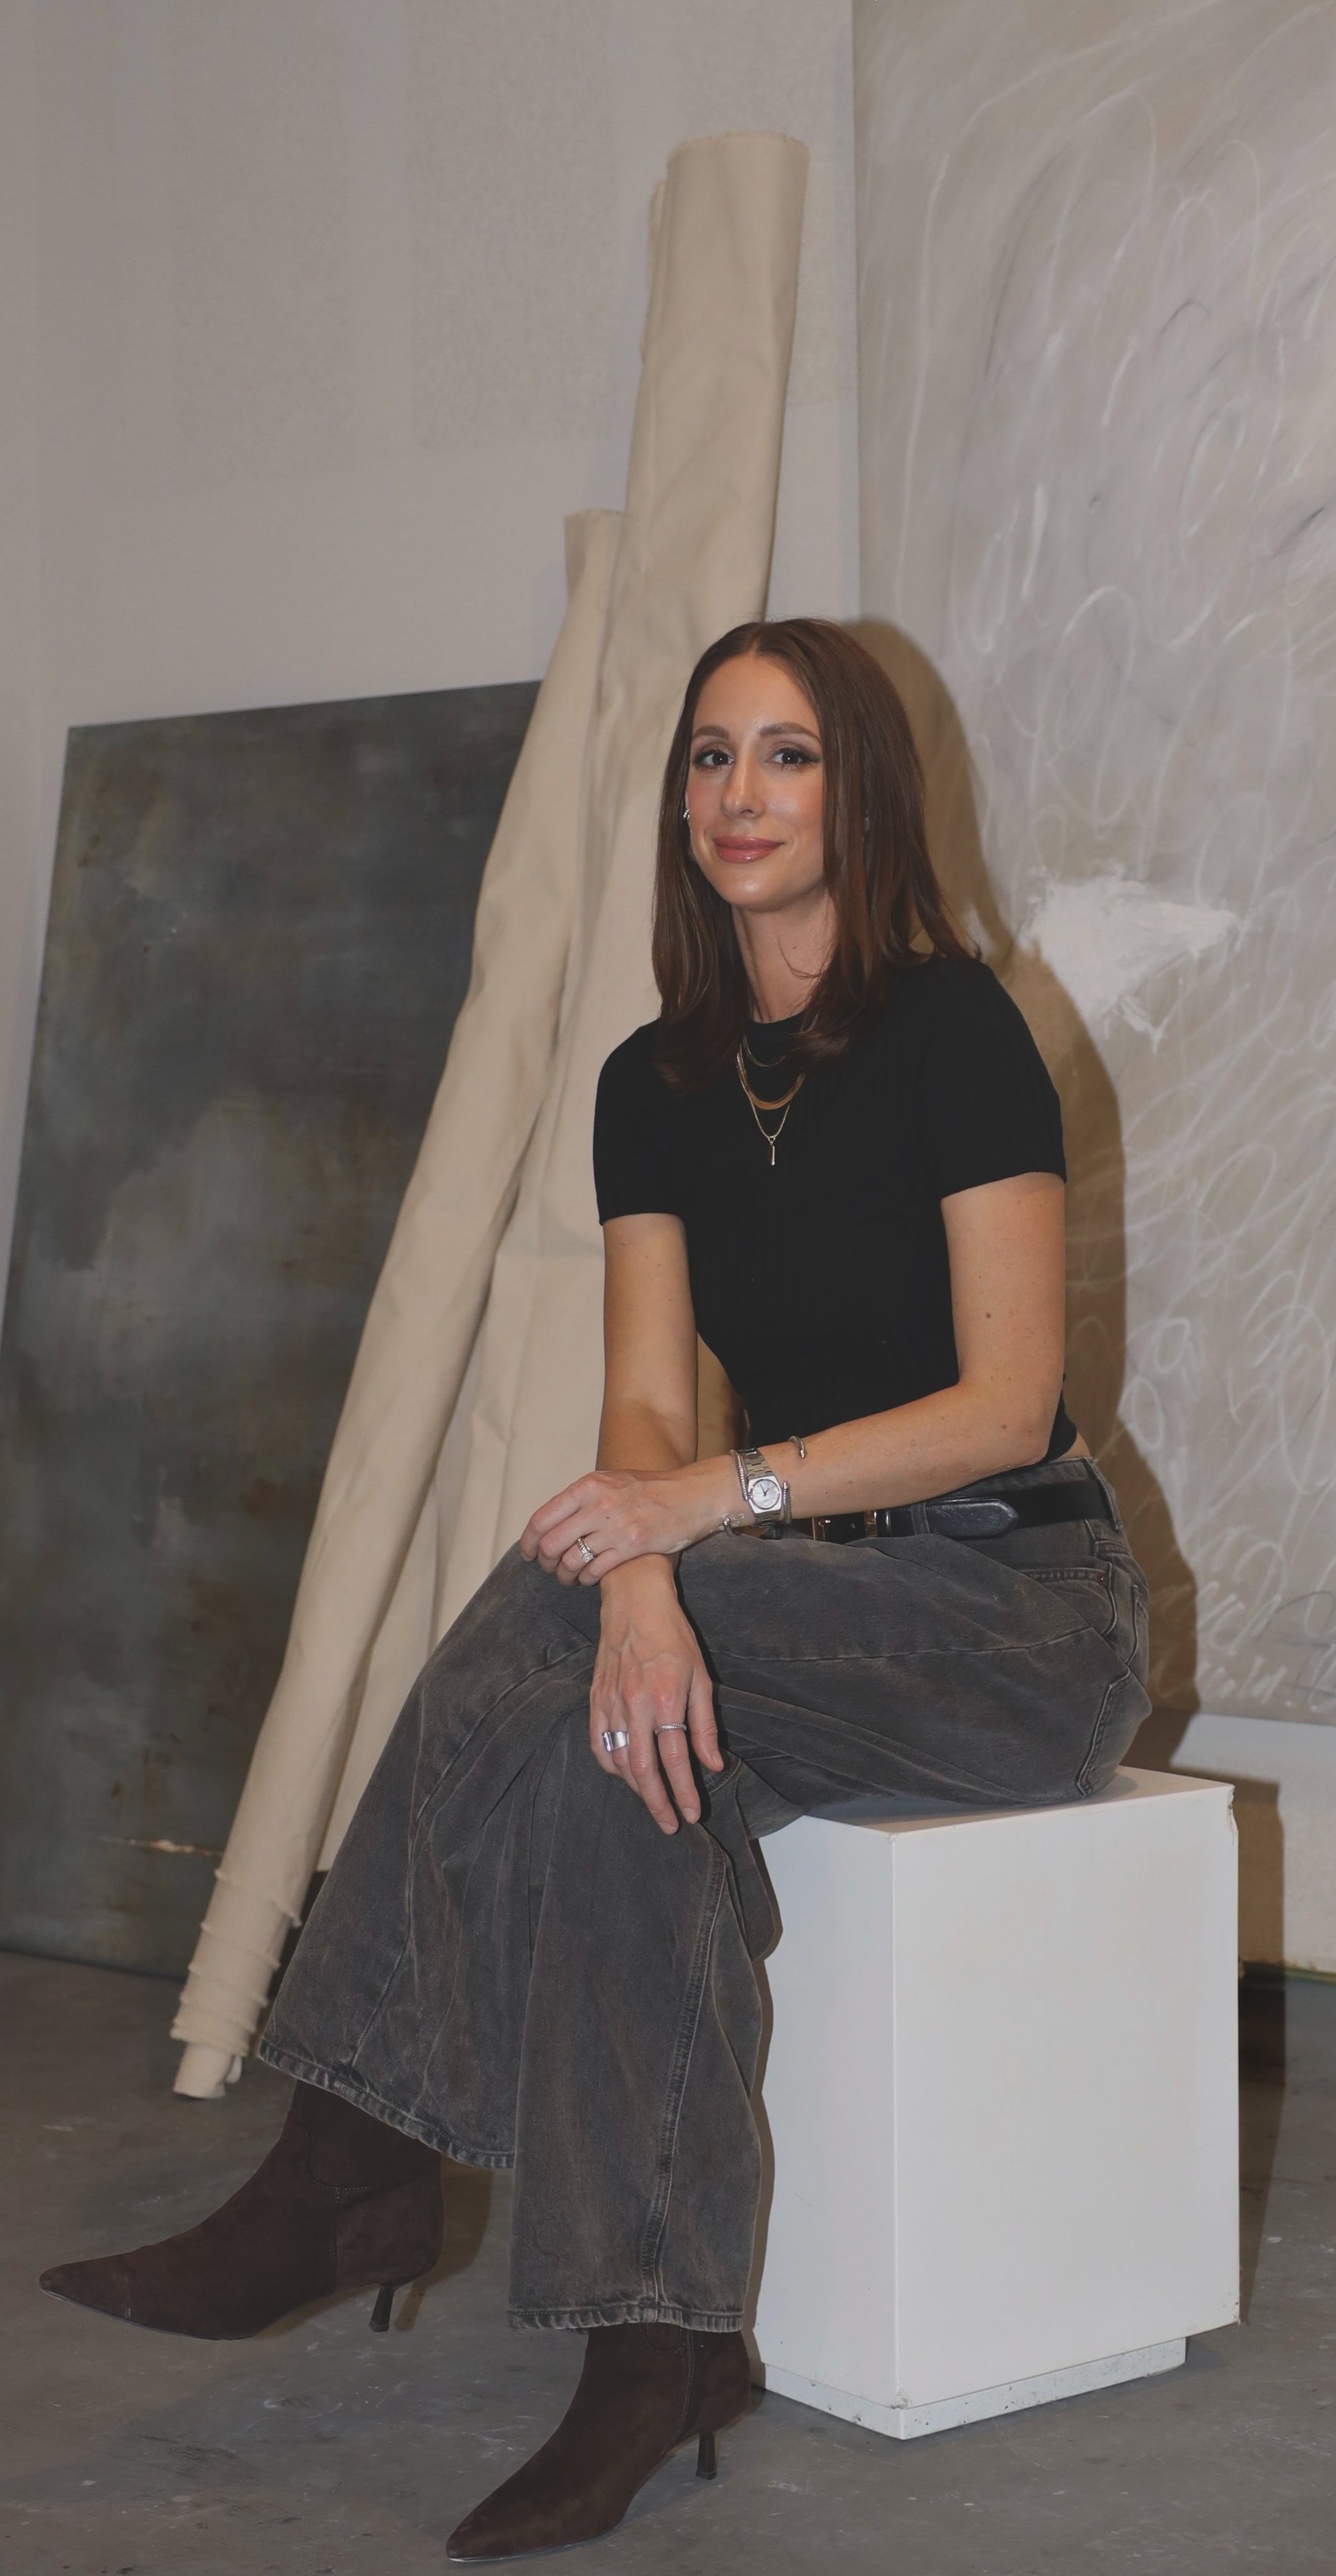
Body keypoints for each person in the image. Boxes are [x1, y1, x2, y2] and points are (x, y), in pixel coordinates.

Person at [40, 620, 1151, 2561]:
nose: (737, 795)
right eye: (710, 758)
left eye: (785, 757)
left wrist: (698, 1511)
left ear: (857, 790)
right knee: (603, 1771)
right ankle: (664, 2343)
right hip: (779, 1599)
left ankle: (350, 2162)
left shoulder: (955, 1030)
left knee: (562, 1605)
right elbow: (643, 1396)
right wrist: (653, 1567)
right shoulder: (655, 1078)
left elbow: (1000, 1404)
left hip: (1009, 1617)